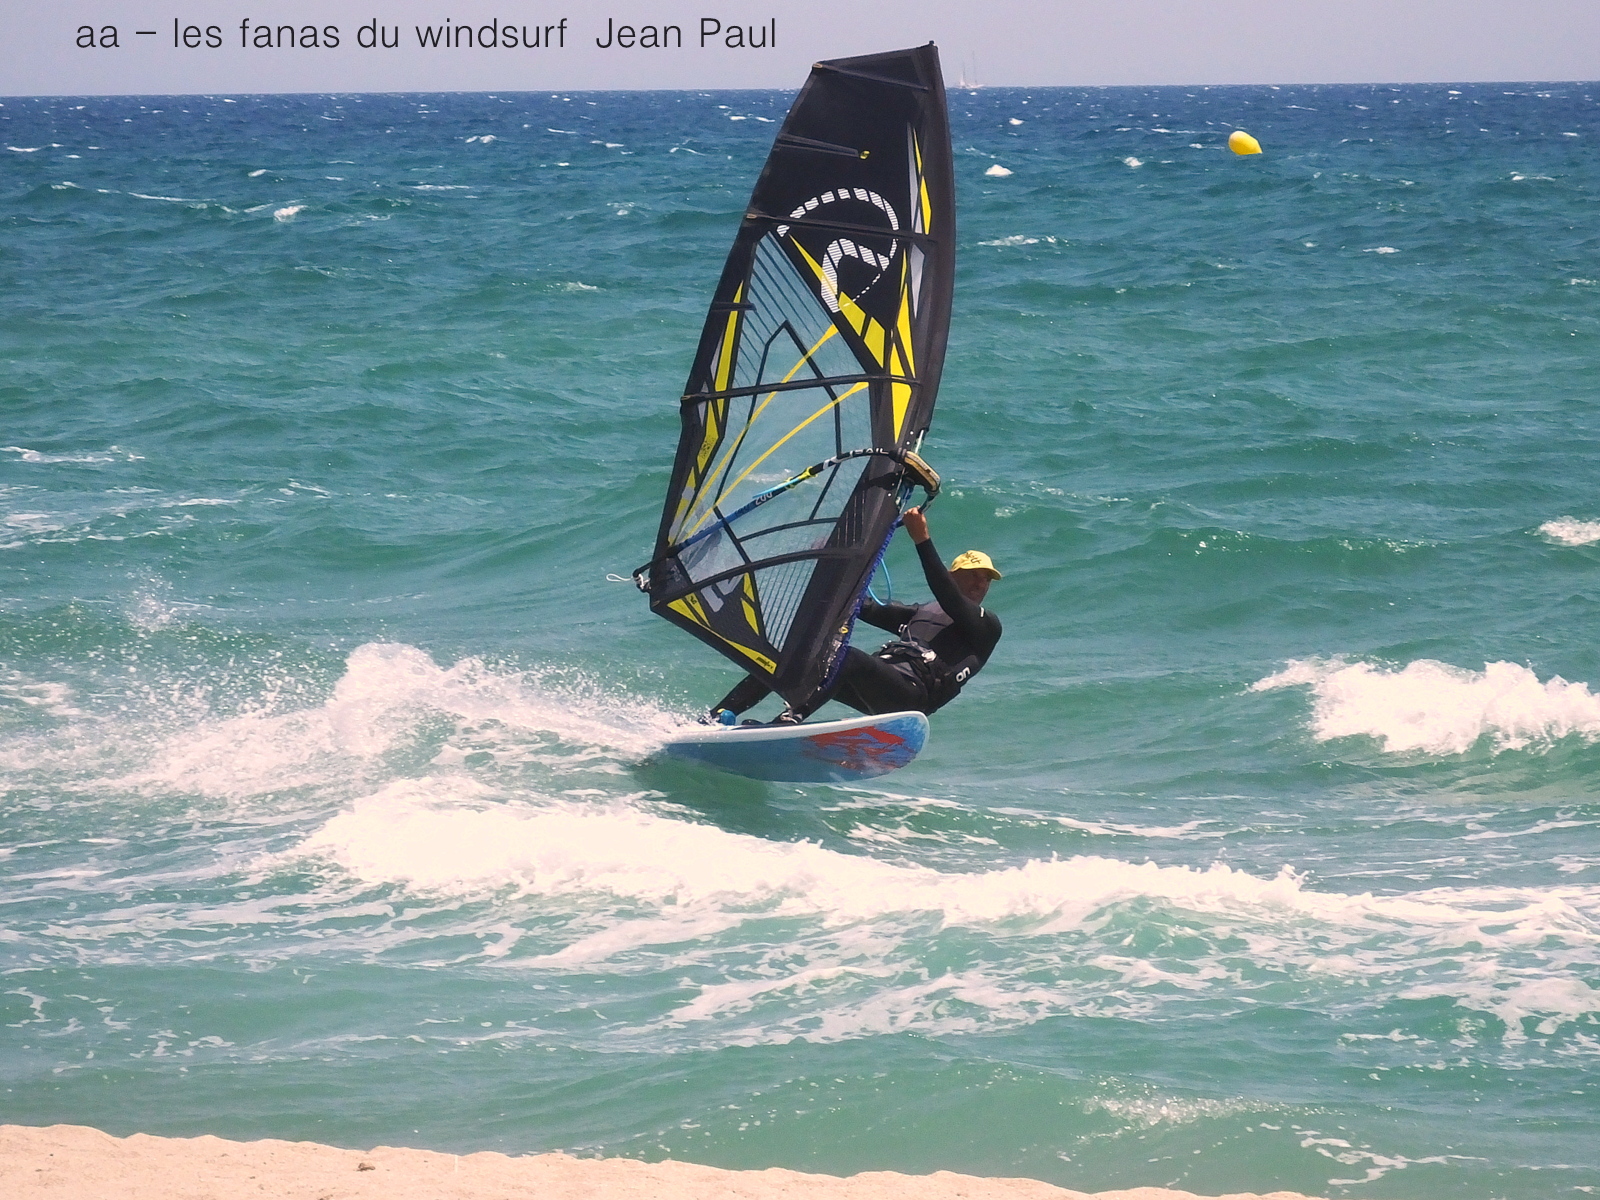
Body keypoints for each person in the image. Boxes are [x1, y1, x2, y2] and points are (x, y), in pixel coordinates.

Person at [707, 507, 1002, 724]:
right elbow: (861, 605)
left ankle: (788, 721)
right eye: (973, 575)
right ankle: (716, 717)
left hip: (911, 698)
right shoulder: (921, 612)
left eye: (986, 579)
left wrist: (922, 540)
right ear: (953, 575)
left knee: (845, 656)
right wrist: (831, 563)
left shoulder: (986, 626)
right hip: (877, 686)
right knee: (794, 658)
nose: (980, 583)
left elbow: (949, 597)